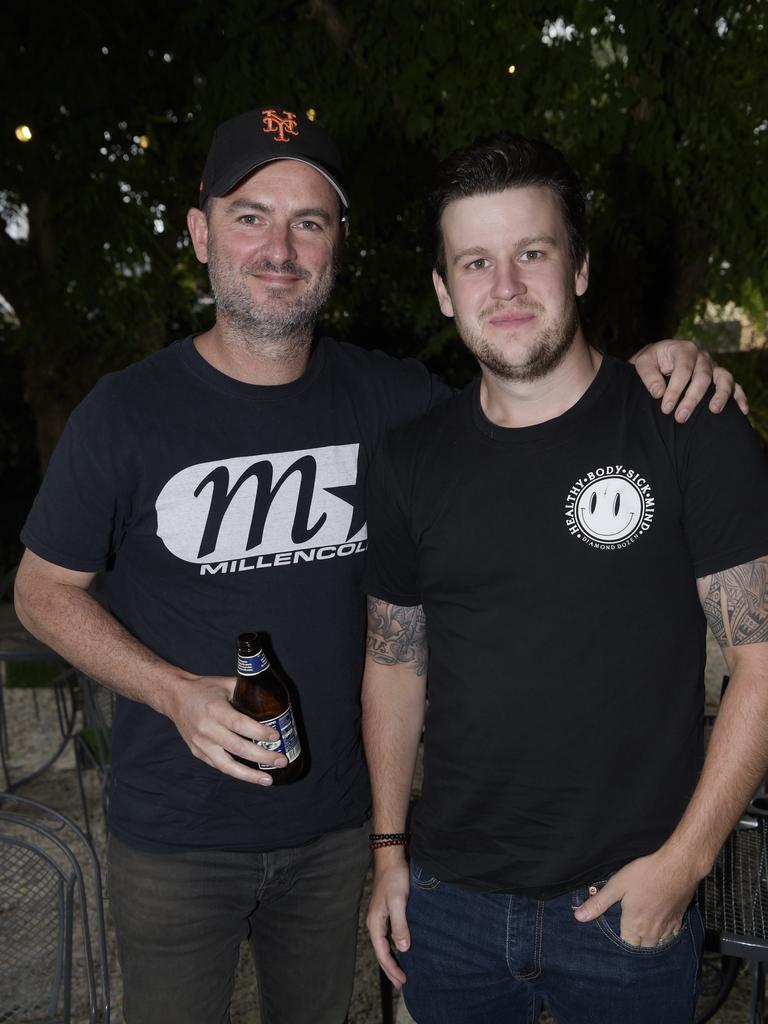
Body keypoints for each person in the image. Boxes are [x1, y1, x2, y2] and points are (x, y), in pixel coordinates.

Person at [13, 106, 742, 1024]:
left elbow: (524, 397)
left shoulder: (391, 400)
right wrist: (170, 692)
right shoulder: (126, 413)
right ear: (202, 233)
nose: (279, 247)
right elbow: (40, 591)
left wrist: (658, 368)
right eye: (250, 216)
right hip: (175, 838)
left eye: (309, 222)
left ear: (337, 248)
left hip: (336, 833)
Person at [362, 132, 768, 1024]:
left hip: (630, 904)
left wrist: (686, 864)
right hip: (450, 906)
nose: (503, 287)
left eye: (531, 253)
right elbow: (396, 660)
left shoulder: (686, 428)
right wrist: (390, 851)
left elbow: (763, 665)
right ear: (443, 289)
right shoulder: (406, 463)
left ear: (578, 268)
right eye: (475, 262)